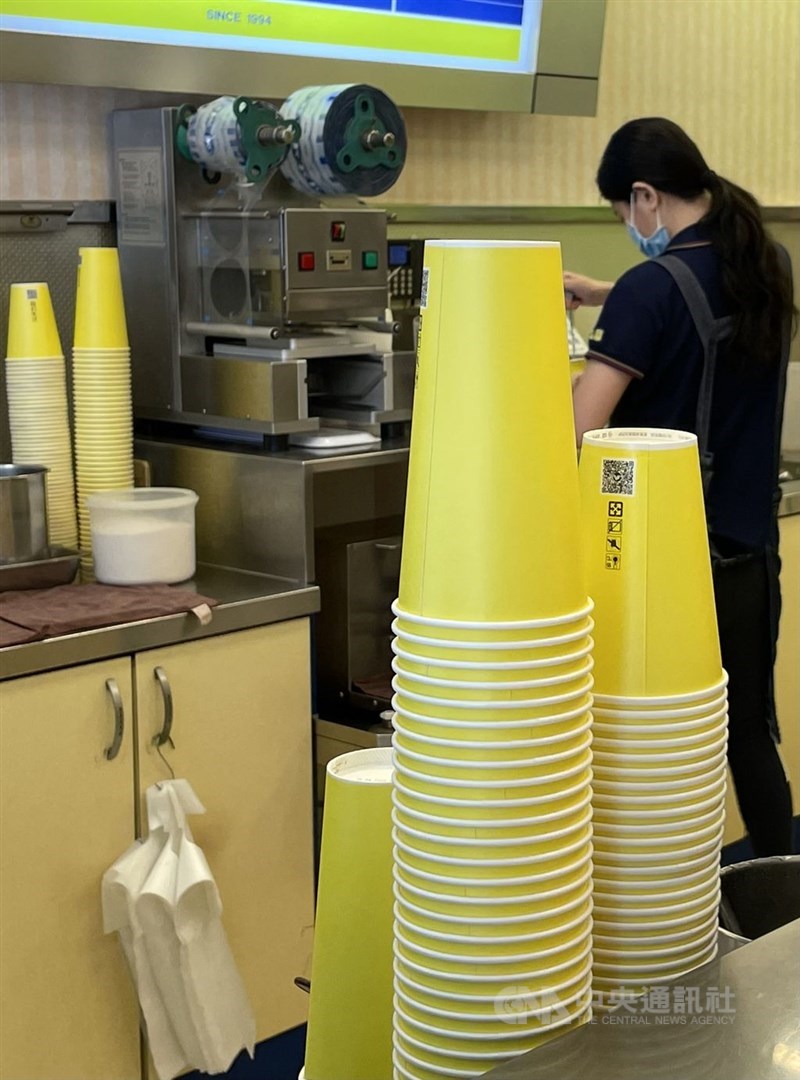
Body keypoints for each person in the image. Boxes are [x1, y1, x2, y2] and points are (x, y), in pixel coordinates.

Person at [566, 117, 797, 857]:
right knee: (749, 737)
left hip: (664, 570)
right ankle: (784, 905)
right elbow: (691, 302)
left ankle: (651, 908)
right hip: (750, 557)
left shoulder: (648, 292)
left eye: (621, 211)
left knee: (649, 746)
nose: (628, 225)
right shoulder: (767, 265)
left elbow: (581, 427)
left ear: (645, 196)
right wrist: (609, 293)